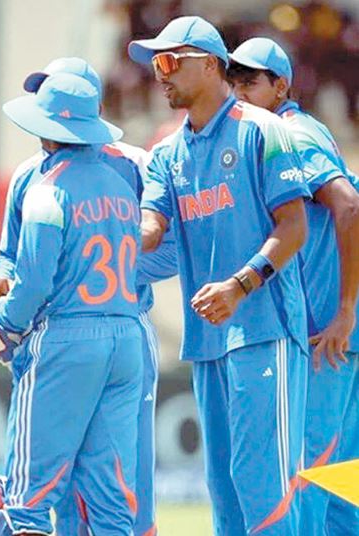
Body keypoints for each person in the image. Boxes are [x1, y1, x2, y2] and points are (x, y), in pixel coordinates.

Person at [0, 57, 178, 536]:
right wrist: (2, 278)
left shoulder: (67, 183)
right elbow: (11, 256)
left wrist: (2, 325)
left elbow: (34, 282)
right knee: (113, 497)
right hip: (121, 335)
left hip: (64, 333)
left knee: (26, 498)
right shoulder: (106, 183)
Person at [130, 16, 311, 534]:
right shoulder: (167, 153)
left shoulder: (263, 130)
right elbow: (151, 228)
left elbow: (294, 227)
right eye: (155, 65)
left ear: (211, 65)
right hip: (208, 339)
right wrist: (102, 234)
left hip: (266, 330)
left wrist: (240, 285)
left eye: (170, 61)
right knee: (226, 490)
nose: (160, 75)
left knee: (264, 485)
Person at [229, 36, 359, 536]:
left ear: (281, 86)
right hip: (337, 330)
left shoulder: (290, 134)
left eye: (250, 83)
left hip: (325, 332)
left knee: (306, 472)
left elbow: (349, 205)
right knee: (340, 483)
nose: (239, 94)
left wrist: (343, 310)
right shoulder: (299, 129)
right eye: (233, 83)